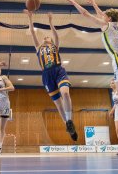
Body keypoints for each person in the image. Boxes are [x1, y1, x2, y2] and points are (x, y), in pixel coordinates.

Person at [66, 0, 118, 153]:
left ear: (108, 18)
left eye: (104, 16)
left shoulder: (106, 25)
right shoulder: (116, 26)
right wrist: (95, 3)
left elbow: (86, 14)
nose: (102, 16)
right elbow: (103, 14)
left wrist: (73, 2)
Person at [23, 10, 77, 141]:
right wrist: (30, 18)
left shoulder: (55, 46)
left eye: (48, 37)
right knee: (58, 104)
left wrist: (50, 22)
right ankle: (68, 127)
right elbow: (33, 33)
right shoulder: (38, 48)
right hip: (46, 75)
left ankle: (69, 120)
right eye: (44, 37)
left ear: (51, 40)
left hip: (58, 71)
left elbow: (56, 35)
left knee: (65, 93)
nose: (45, 37)